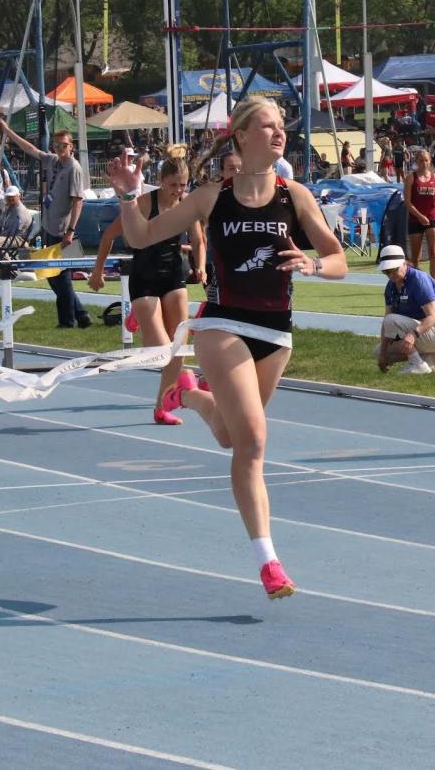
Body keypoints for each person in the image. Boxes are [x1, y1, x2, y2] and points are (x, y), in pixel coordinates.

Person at [106, 96, 347, 599]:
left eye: (282, 126)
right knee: (254, 442)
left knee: (231, 438)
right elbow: (144, 235)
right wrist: (129, 196)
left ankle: (188, 395)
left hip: (275, 333)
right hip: (222, 324)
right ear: (240, 135)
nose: (279, 134)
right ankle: (269, 562)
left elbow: (338, 258)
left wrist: (313, 266)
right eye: (267, 126)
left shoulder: (295, 195)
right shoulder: (213, 196)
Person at [89, 145, 205, 425]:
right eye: (173, 185)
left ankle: (161, 407)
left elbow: (199, 240)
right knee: (162, 351)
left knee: (177, 349)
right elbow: (108, 236)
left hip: (174, 275)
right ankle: (139, 315)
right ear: (161, 181)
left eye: (183, 185)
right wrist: (97, 271)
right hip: (145, 277)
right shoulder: (144, 202)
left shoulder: (188, 204)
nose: (178, 190)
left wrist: (200, 266)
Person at [0, 120, 92, 328]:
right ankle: (81, 313)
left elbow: (78, 201)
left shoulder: (73, 168)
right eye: (56, 145)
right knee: (51, 275)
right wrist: (7, 130)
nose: (59, 149)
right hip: (49, 227)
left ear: (71, 146)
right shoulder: (52, 161)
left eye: (63, 145)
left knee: (61, 275)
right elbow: (30, 148)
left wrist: (70, 230)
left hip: (62, 231)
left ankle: (67, 321)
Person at [375, 245, 435, 374]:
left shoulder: (418, 280)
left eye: (394, 270)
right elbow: (386, 324)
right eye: (386, 272)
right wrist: (382, 353)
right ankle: (430, 356)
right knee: (378, 351)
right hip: (417, 329)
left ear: (404, 264)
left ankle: (418, 364)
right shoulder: (390, 287)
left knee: (391, 320)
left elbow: (433, 316)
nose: (390, 275)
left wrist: (413, 335)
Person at [403, 149, 435, 283]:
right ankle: (415, 282)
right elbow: (407, 202)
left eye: (426, 160)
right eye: (421, 160)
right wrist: (419, 216)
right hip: (415, 219)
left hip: (432, 217)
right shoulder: (410, 178)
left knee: (434, 252)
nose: (424, 163)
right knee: (415, 257)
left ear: (430, 161)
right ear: (416, 162)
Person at [0, 185, 32, 249]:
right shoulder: (9, 208)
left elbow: (11, 232)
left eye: (12, 196)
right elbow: (0, 228)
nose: (10, 198)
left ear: (19, 196)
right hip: (10, 236)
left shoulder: (20, 211)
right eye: (8, 197)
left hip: (19, 239)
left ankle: (6, 259)